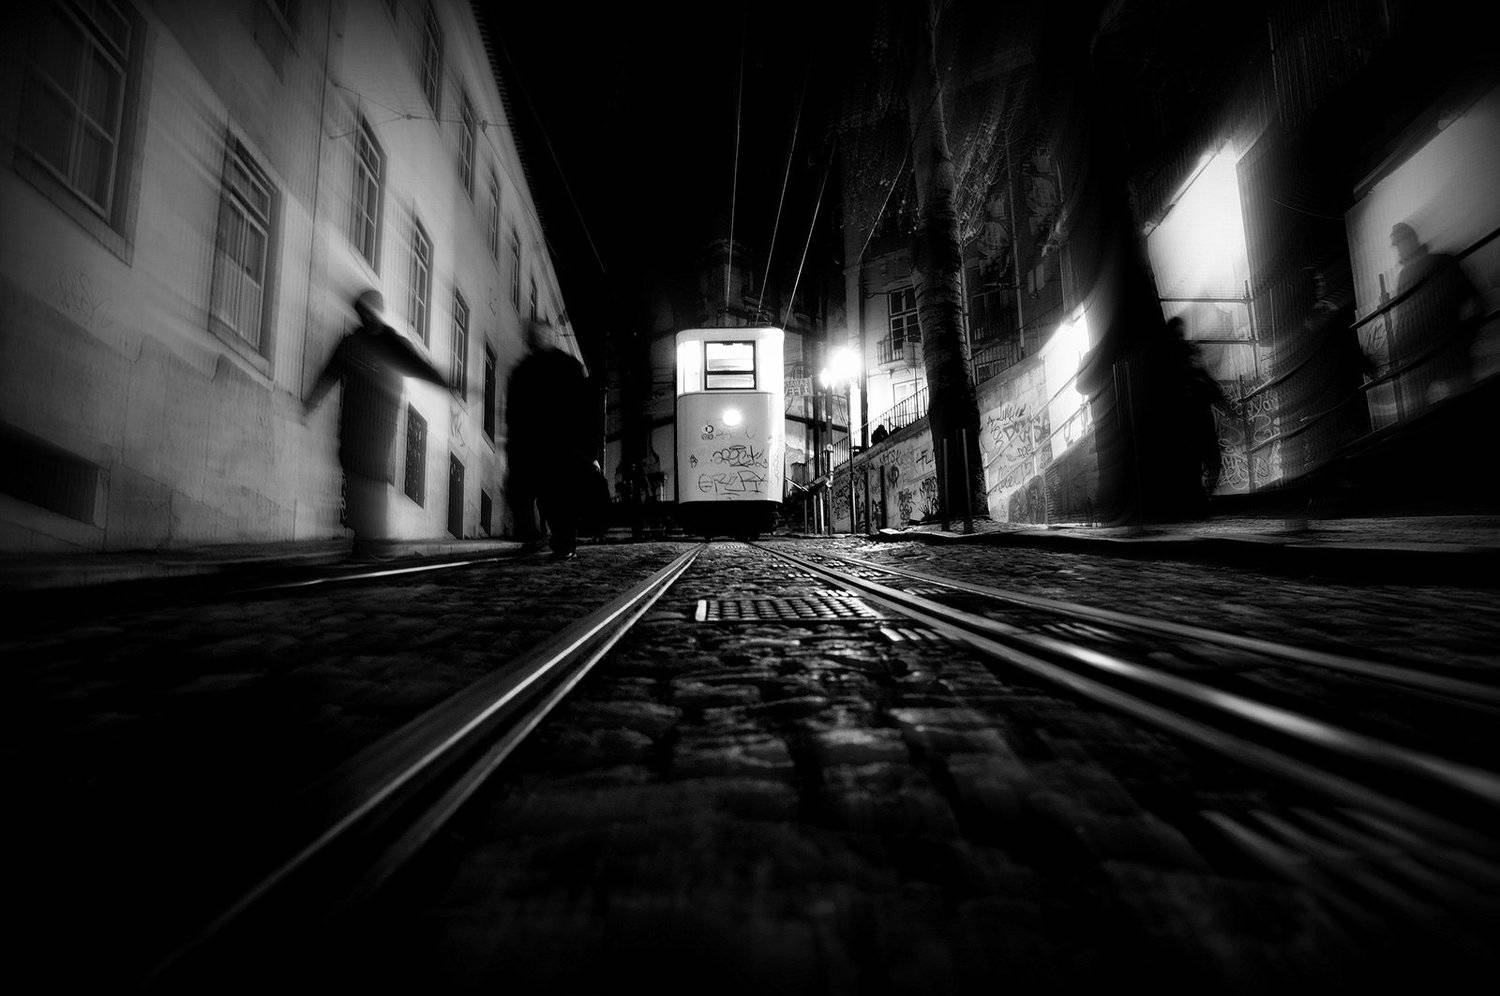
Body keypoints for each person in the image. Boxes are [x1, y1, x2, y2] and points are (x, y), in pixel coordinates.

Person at [304, 289, 448, 558]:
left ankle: (371, 538)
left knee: (374, 475)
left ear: (378, 314)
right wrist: (311, 402)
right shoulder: (351, 344)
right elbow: (329, 373)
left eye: (370, 312)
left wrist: (446, 384)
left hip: (380, 427)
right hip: (354, 426)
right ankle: (364, 539)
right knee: (356, 474)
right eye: (362, 312)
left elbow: (420, 367)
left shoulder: (393, 345)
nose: (366, 317)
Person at [505, 320, 594, 560]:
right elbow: (513, 415)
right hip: (537, 446)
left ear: (551, 337)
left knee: (553, 498)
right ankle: (543, 539)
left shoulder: (565, 367)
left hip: (556, 447)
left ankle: (560, 543)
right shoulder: (525, 370)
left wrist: (585, 449)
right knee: (534, 495)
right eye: (534, 336)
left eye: (540, 335)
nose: (536, 339)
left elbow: (584, 411)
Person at [1389, 221, 1483, 408]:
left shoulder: (1437, 265)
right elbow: (1476, 303)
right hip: (1437, 358)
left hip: (1437, 357)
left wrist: (1464, 341)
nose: (1398, 249)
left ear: (1410, 240)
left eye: (1399, 243)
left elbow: (1476, 303)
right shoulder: (1438, 264)